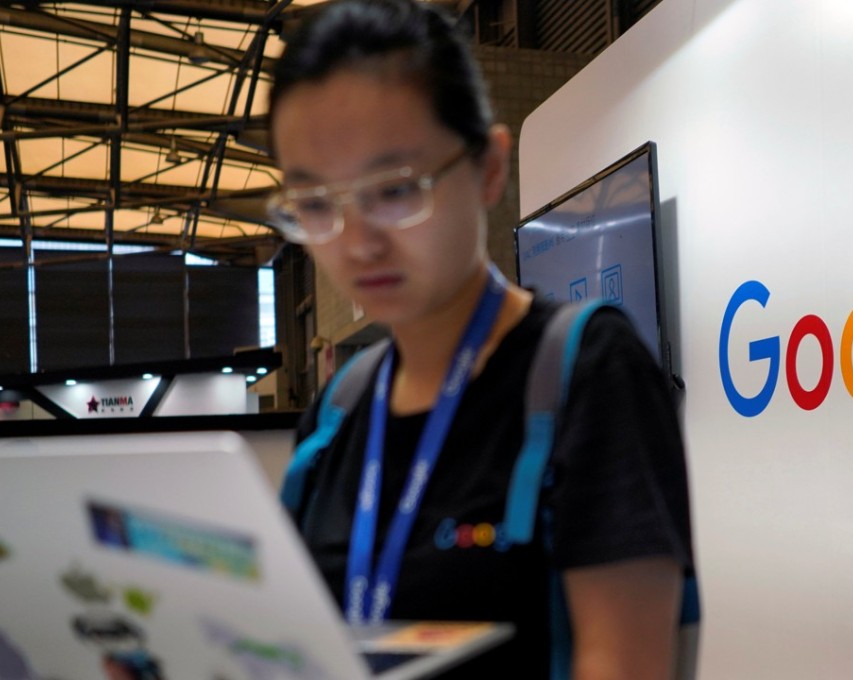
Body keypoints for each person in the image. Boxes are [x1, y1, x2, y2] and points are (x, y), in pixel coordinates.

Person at [267, 1, 694, 677]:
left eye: (396, 188)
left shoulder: (588, 372)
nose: (357, 241)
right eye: (316, 203)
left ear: (490, 168)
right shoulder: (338, 413)